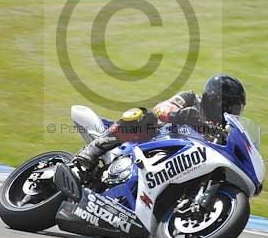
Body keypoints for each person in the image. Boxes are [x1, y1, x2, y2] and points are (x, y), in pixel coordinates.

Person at [69, 74, 247, 182]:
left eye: (235, 110)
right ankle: (91, 151)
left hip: (170, 167)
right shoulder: (192, 99)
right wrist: (179, 115)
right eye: (229, 107)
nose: (230, 113)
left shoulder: (219, 134)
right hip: (146, 142)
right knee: (143, 116)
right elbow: (161, 109)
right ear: (215, 100)